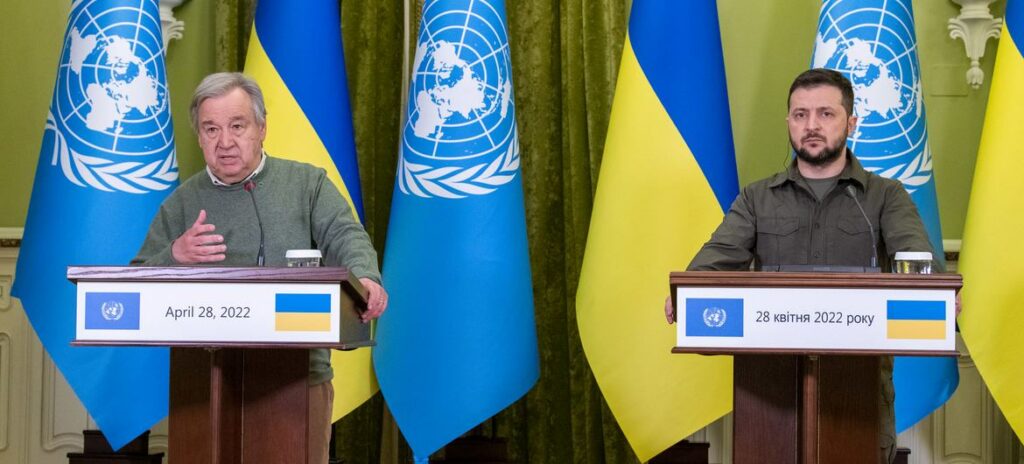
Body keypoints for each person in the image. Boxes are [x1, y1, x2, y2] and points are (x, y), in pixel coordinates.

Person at [665, 68, 937, 464]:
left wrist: (937, 297)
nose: (811, 125)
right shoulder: (758, 199)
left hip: (858, 395)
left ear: (852, 122)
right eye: (800, 114)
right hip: (770, 396)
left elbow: (916, 261)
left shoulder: (885, 196)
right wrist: (685, 294)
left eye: (826, 114)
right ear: (789, 122)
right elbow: (713, 262)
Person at [132, 72, 387, 464]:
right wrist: (175, 256)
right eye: (211, 129)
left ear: (262, 128)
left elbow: (346, 237)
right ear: (199, 137)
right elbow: (135, 279)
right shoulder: (183, 201)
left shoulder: (306, 184)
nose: (225, 142)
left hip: (297, 382)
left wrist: (365, 276)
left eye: (238, 126)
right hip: (201, 381)